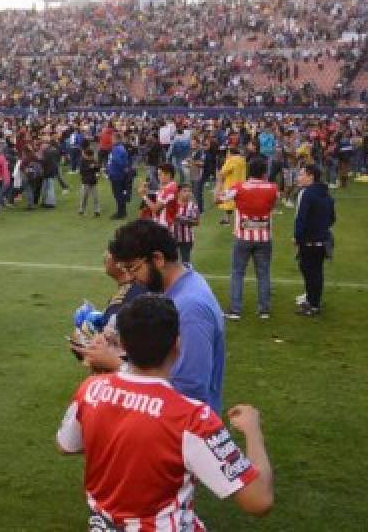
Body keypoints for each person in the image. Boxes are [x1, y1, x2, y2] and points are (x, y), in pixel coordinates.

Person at [56, 295, 273, 529]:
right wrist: (253, 431)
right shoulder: (192, 418)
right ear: (177, 345)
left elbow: (66, 445)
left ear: (123, 344)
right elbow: (258, 500)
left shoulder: (91, 390)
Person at [83, 220, 227, 412]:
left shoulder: (190, 307)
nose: (131, 278)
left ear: (158, 259)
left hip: (181, 431)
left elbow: (190, 390)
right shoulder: (182, 286)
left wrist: (118, 366)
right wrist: (120, 343)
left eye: (133, 268)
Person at [223, 157, 279, 320]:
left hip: (243, 236)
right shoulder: (272, 188)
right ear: (264, 172)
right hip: (264, 236)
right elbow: (273, 204)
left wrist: (220, 181)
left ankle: (235, 309)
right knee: (263, 273)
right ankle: (264, 309)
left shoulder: (239, 187)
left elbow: (219, 199)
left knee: (237, 272)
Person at [293, 164, 335, 316]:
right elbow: (332, 218)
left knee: (309, 271)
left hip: (309, 240)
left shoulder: (306, 193)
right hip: (323, 240)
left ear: (310, 176)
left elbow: (301, 218)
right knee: (316, 271)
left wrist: (297, 238)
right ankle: (314, 300)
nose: (299, 177)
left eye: (301, 174)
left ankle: (312, 304)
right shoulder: (326, 194)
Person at [105, 131, 132, 219]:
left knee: (118, 194)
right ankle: (122, 212)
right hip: (119, 174)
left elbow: (117, 161)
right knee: (120, 193)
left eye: (112, 138)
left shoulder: (117, 149)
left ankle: (121, 213)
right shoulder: (120, 148)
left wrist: (121, 168)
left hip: (117, 174)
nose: (111, 140)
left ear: (116, 139)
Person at [172, 184, 200, 266]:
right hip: (172, 237)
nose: (187, 193)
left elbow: (197, 222)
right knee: (172, 261)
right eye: (184, 191)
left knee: (186, 262)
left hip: (187, 238)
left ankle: (187, 277)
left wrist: (183, 219)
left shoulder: (193, 206)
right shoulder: (172, 204)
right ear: (178, 193)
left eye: (189, 191)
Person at [77, 145, 101, 217]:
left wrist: (97, 168)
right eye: (90, 156)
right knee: (84, 197)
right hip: (85, 182)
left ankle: (97, 211)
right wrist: (90, 167)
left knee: (95, 197)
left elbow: (98, 168)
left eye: (92, 156)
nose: (91, 157)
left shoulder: (93, 160)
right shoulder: (82, 161)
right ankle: (82, 210)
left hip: (93, 181)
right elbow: (81, 171)